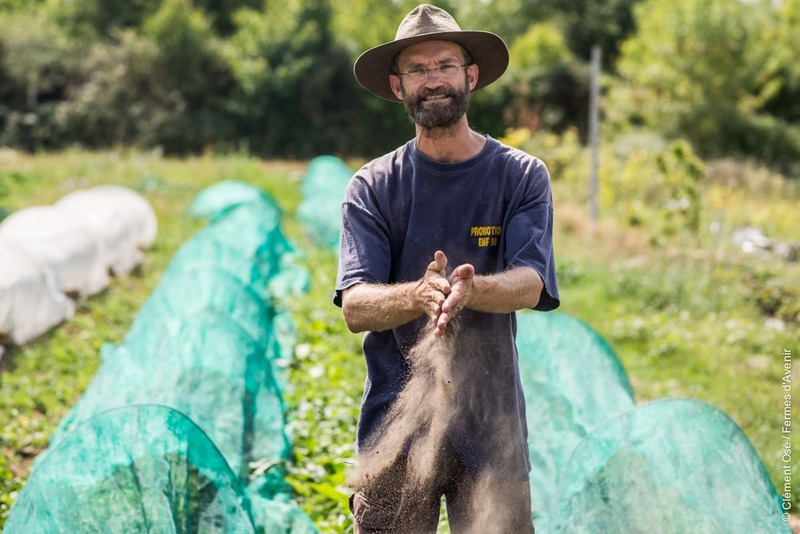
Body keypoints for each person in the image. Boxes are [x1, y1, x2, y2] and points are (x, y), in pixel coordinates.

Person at [333, 4, 559, 532]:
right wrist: (418, 294)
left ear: (470, 76)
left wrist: (473, 289)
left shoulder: (520, 176)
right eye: (417, 69)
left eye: (445, 65)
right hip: (397, 431)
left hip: (491, 427)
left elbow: (531, 281)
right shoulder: (373, 187)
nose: (433, 80)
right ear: (397, 87)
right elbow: (356, 306)